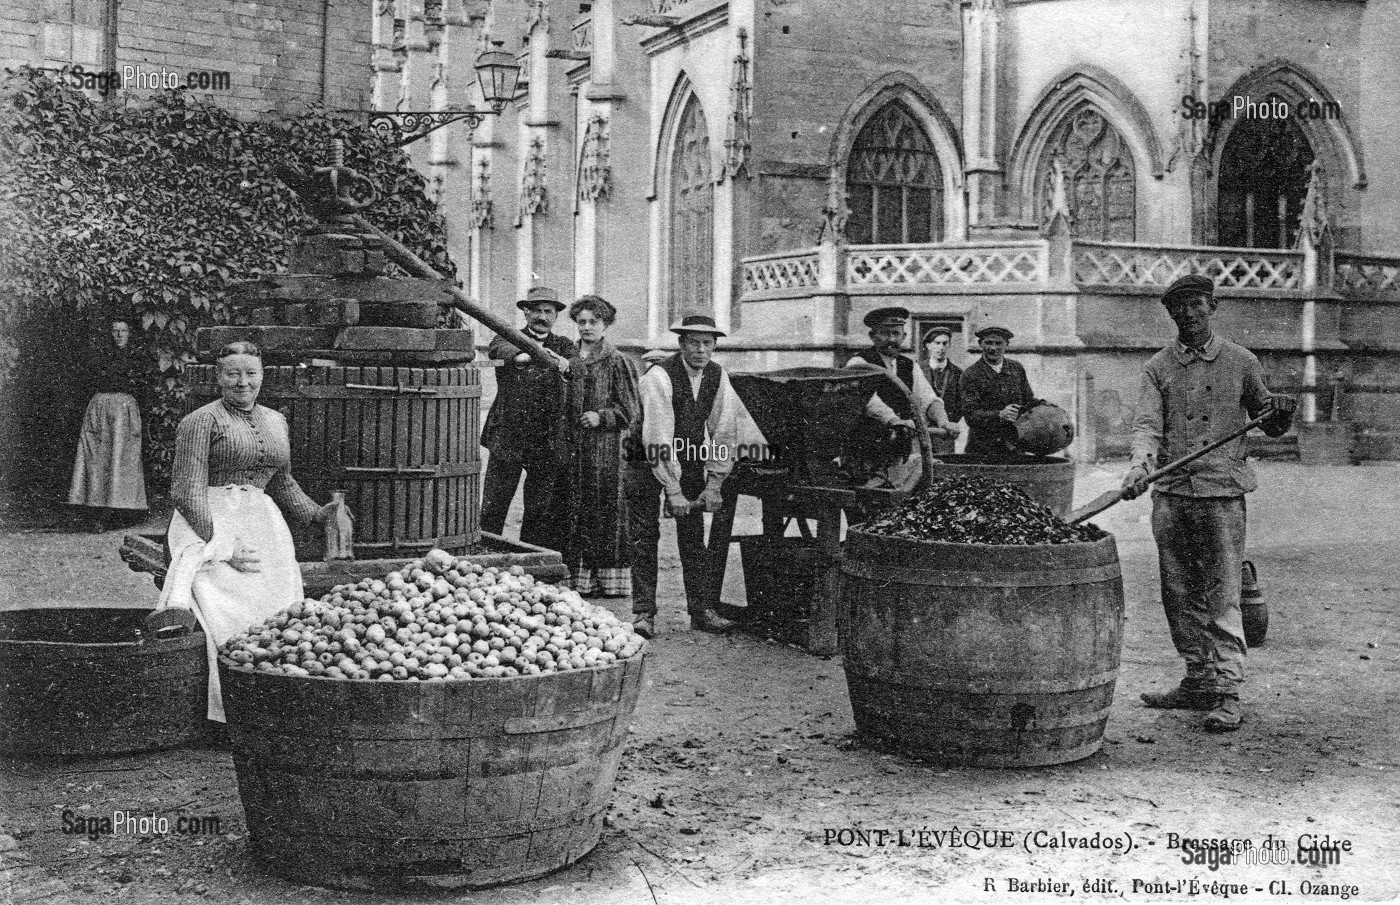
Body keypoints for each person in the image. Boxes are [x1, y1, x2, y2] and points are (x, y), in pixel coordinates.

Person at [1121, 274, 1296, 732]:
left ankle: (1228, 691)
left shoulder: (1241, 361)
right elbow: (1146, 426)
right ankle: (1198, 679)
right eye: (1179, 307)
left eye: (1197, 305)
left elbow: (1268, 421)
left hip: (1222, 495)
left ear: (1212, 307)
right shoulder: (1158, 367)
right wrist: (1141, 466)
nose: (1189, 314)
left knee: (1222, 593)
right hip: (1173, 494)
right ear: (1171, 313)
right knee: (1178, 594)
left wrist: (1280, 413)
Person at [162, 341, 341, 723]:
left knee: (278, 607)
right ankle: (230, 713)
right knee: (227, 613)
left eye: (251, 373)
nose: (243, 383)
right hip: (207, 524)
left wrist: (320, 514)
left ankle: (275, 707)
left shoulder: (276, 420)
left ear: (262, 376)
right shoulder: (200, 421)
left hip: (262, 524)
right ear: (218, 378)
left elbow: (282, 483)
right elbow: (185, 491)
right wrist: (223, 545)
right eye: (233, 374)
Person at [631, 315, 766, 638]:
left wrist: (715, 483)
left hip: (689, 458)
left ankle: (701, 609)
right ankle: (643, 613)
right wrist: (673, 491)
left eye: (708, 343)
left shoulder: (718, 376)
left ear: (715, 346)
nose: (701, 350)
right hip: (644, 459)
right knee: (645, 537)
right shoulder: (659, 377)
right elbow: (657, 437)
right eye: (693, 342)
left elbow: (725, 430)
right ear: (681, 344)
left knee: (693, 536)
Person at [479, 286, 576, 551]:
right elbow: (498, 347)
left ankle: (530, 562)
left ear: (555, 316)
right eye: (536, 310)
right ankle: (486, 556)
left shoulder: (564, 345)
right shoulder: (510, 337)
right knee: (493, 506)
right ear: (526, 312)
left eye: (548, 311)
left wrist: (566, 365)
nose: (542, 316)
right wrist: (523, 354)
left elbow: (576, 367)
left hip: (546, 438)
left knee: (539, 510)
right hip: (508, 435)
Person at [560, 295, 641, 597]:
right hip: (572, 448)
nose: (586, 327)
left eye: (593, 321)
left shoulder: (618, 361)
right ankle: (577, 581)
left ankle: (608, 582)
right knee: (573, 510)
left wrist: (602, 417)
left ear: (605, 324)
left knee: (605, 510)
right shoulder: (567, 359)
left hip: (604, 451)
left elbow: (631, 410)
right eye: (581, 322)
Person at [843, 307, 953, 490]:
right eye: (885, 334)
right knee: (869, 495)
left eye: (896, 333)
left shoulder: (908, 365)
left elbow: (927, 398)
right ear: (872, 336)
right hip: (866, 450)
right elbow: (869, 401)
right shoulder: (859, 363)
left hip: (897, 448)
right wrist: (895, 420)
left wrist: (943, 421)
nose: (892, 339)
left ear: (904, 336)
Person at [67, 319, 149, 529]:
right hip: (101, 409)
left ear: (130, 333)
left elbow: (141, 386)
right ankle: (98, 514)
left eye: (124, 331)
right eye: (115, 331)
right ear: (110, 333)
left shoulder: (137, 357)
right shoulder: (100, 356)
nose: (120, 335)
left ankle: (122, 512)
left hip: (125, 411)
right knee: (99, 459)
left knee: (122, 459)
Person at [960, 325, 1042, 459]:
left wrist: (1044, 406)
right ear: (980, 344)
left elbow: (1028, 400)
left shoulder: (1016, 369)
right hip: (982, 449)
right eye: (988, 343)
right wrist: (999, 415)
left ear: (1007, 345)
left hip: (1014, 445)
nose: (993, 348)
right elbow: (970, 415)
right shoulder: (970, 375)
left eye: (998, 343)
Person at [921, 326, 963, 455]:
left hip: (945, 432)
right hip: (923, 428)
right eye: (937, 343)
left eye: (945, 343)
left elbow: (961, 403)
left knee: (944, 465)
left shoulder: (958, 373)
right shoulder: (918, 370)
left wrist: (950, 421)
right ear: (928, 346)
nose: (941, 347)